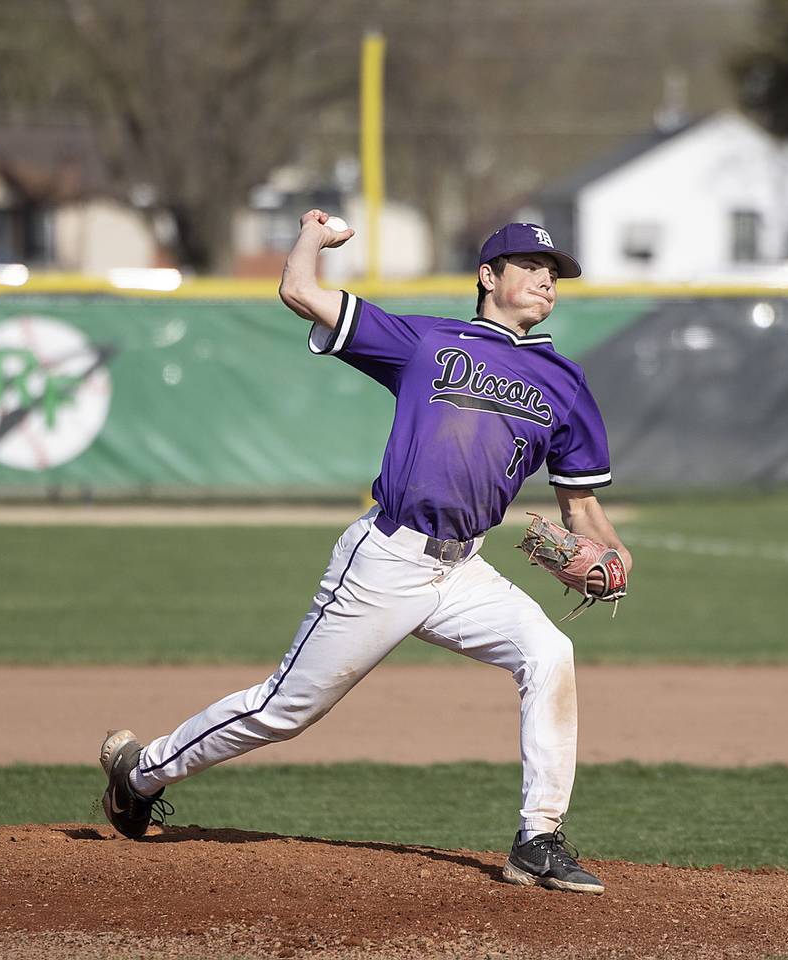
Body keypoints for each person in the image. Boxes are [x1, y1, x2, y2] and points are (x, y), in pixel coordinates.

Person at [99, 212, 632, 896]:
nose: (544, 280)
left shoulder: (565, 382)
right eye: (529, 265)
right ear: (487, 275)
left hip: (464, 568)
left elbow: (580, 507)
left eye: (552, 271)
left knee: (549, 652)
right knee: (286, 709)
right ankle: (140, 773)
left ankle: (539, 840)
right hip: (389, 557)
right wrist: (311, 241)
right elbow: (300, 293)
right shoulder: (428, 340)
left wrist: (613, 556)